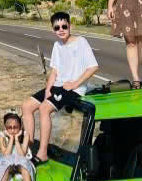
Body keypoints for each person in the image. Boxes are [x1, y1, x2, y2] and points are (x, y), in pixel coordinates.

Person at [20, 11, 98, 165]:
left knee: (44, 108)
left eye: (64, 26)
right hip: (57, 86)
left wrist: (75, 84)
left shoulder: (81, 42)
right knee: (27, 106)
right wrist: (48, 89)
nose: (61, 30)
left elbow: (93, 67)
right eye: (57, 27)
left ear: (70, 26)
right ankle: (28, 148)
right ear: (53, 29)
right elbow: (54, 71)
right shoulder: (57, 45)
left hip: (73, 89)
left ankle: (42, 153)